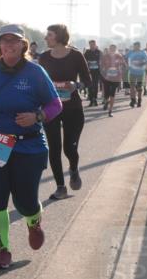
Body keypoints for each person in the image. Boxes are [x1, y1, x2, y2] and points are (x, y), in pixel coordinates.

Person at [0, 25, 61, 269]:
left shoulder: (35, 72)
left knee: (25, 202)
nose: (9, 45)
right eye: (5, 41)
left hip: (27, 146)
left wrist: (37, 117)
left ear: (23, 45)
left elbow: (55, 104)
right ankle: (3, 250)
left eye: (14, 41)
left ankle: (33, 221)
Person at [38, 24, 91, 200]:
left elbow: (87, 80)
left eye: (49, 35)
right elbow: (39, 82)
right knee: (54, 148)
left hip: (73, 108)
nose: (46, 38)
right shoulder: (44, 57)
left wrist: (75, 85)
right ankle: (61, 187)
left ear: (59, 36)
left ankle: (74, 168)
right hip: (51, 109)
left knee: (69, 147)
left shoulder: (76, 55)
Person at [100, 44, 126, 117]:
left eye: (114, 49)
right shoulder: (105, 56)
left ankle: (110, 111)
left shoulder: (119, 56)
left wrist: (121, 73)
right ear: (109, 49)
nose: (112, 50)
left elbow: (124, 66)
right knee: (106, 94)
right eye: (111, 48)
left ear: (116, 49)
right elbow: (101, 66)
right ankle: (106, 102)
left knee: (112, 94)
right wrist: (104, 73)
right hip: (107, 78)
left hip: (116, 78)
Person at [125, 41, 147, 108]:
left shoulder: (143, 52)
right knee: (132, 87)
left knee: (139, 88)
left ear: (139, 46)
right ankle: (133, 100)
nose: (135, 48)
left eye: (137, 46)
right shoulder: (131, 52)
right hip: (132, 72)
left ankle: (139, 100)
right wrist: (126, 65)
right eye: (134, 46)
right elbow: (124, 58)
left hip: (140, 73)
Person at [83, 39, 103, 107]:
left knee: (95, 85)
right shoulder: (87, 52)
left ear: (95, 44)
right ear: (89, 45)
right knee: (90, 86)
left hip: (97, 71)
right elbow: (83, 61)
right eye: (90, 45)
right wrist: (88, 62)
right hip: (89, 72)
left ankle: (95, 99)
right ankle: (91, 100)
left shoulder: (99, 52)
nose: (92, 46)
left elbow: (103, 61)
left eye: (93, 44)